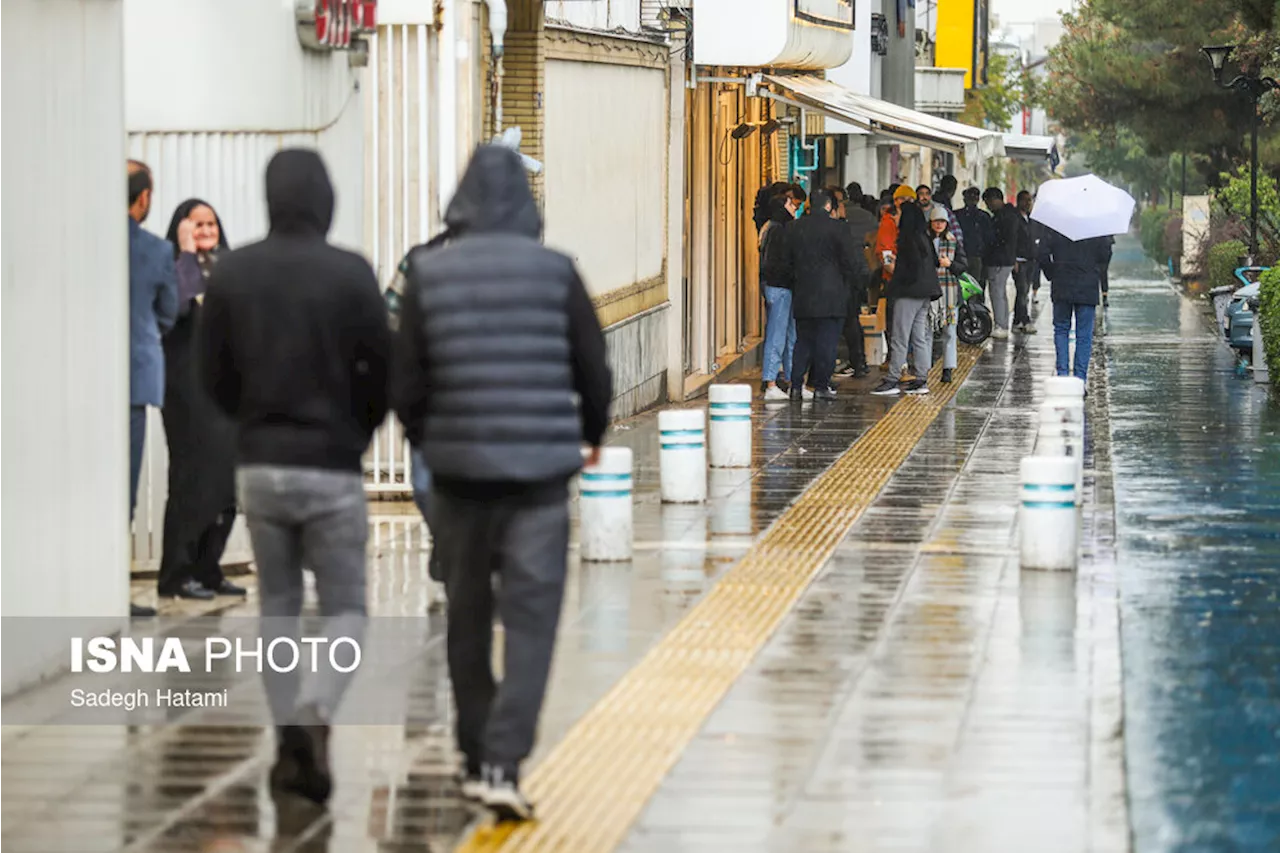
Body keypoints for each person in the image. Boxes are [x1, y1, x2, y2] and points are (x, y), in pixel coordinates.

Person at [391, 144, 613, 822]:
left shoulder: (427, 273)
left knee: (465, 615)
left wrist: (431, 438)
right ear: (526, 203)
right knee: (532, 621)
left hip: (460, 480)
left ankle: (471, 747)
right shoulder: (557, 272)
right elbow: (594, 368)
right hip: (540, 480)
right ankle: (503, 762)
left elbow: (406, 380)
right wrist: (592, 436)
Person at [199, 149, 390, 805]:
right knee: (345, 608)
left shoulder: (233, 272)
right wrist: (354, 434)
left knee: (276, 608)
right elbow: (379, 372)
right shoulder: (350, 274)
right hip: (330, 466)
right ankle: (314, 709)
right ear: (325, 198)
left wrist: (251, 425)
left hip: (259, 465)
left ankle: (290, 744)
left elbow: (212, 378)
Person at [156, 200, 245, 601]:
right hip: (186, 388)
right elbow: (175, 308)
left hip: (228, 389)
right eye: (197, 224)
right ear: (181, 229)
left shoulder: (231, 268)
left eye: (212, 223)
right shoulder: (173, 266)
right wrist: (188, 253)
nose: (206, 229)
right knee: (191, 478)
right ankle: (176, 573)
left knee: (227, 485)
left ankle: (209, 567)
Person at [127, 161, 178, 619]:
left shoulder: (84, 245)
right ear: (143, 198)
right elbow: (167, 313)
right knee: (123, 485)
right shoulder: (156, 250)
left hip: (83, 378)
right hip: (134, 380)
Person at [782, 188, 867, 401]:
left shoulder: (793, 227)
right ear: (829, 206)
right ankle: (821, 386)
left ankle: (796, 386)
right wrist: (855, 285)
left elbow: (787, 262)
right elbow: (850, 262)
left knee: (803, 342)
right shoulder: (838, 229)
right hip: (833, 295)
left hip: (803, 294)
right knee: (827, 342)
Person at [872, 203, 940, 396]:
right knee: (919, 337)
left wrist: (893, 267)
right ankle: (921, 379)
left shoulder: (907, 239)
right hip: (926, 293)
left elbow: (907, 271)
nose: (896, 217)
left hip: (909, 294)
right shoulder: (924, 237)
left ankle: (892, 379)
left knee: (900, 337)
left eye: (899, 214)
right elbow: (933, 262)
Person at [1039, 227, 1113, 382]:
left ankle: (1063, 375)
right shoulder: (1095, 226)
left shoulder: (1057, 224)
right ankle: (1080, 379)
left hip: (1061, 283)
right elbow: (1105, 255)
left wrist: (1052, 272)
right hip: (1087, 285)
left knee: (1061, 330)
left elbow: (1042, 252)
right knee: (1084, 335)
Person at [759, 191, 805, 400]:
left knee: (789, 336)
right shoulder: (780, 230)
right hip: (780, 287)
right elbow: (777, 263)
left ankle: (790, 379)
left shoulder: (773, 228)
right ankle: (770, 382)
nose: (794, 207)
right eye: (790, 204)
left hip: (780, 288)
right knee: (778, 335)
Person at [838, 181, 881, 379]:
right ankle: (859, 361)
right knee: (853, 318)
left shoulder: (839, 224)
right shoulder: (869, 217)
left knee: (846, 320)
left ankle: (852, 360)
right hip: (864, 272)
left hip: (844, 276)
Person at [877, 185, 918, 364]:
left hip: (909, 280)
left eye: (910, 200)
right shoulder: (888, 222)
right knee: (895, 323)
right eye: (903, 200)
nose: (907, 204)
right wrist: (899, 274)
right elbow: (886, 255)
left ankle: (905, 359)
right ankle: (897, 361)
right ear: (895, 202)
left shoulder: (913, 222)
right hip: (895, 281)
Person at [929, 205, 965, 383]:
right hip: (928, 291)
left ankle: (948, 368)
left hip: (949, 293)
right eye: (936, 221)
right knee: (927, 329)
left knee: (949, 330)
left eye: (942, 221)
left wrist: (949, 264)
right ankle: (925, 367)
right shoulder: (925, 240)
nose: (939, 224)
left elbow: (962, 266)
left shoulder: (953, 242)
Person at [983, 187, 1020, 339]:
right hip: (1007, 259)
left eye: (988, 202)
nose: (988, 206)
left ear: (995, 200)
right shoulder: (1011, 215)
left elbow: (998, 239)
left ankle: (1000, 325)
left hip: (998, 259)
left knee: (996, 292)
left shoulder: (1002, 218)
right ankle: (1003, 324)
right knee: (1001, 292)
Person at [955, 186, 992, 286]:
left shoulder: (983, 216)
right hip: (960, 255)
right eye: (969, 195)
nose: (972, 198)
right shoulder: (957, 215)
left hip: (977, 256)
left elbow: (988, 238)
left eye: (975, 196)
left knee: (975, 285)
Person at [1012, 190, 1036, 333]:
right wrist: (1013, 259)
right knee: (1022, 290)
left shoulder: (1030, 219)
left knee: (1024, 291)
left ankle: (1017, 320)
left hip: (1030, 260)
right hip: (1019, 261)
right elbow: (1012, 239)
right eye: (1025, 200)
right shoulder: (1015, 218)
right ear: (1019, 201)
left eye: (1029, 201)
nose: (1028, 203)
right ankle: (1025, 320)